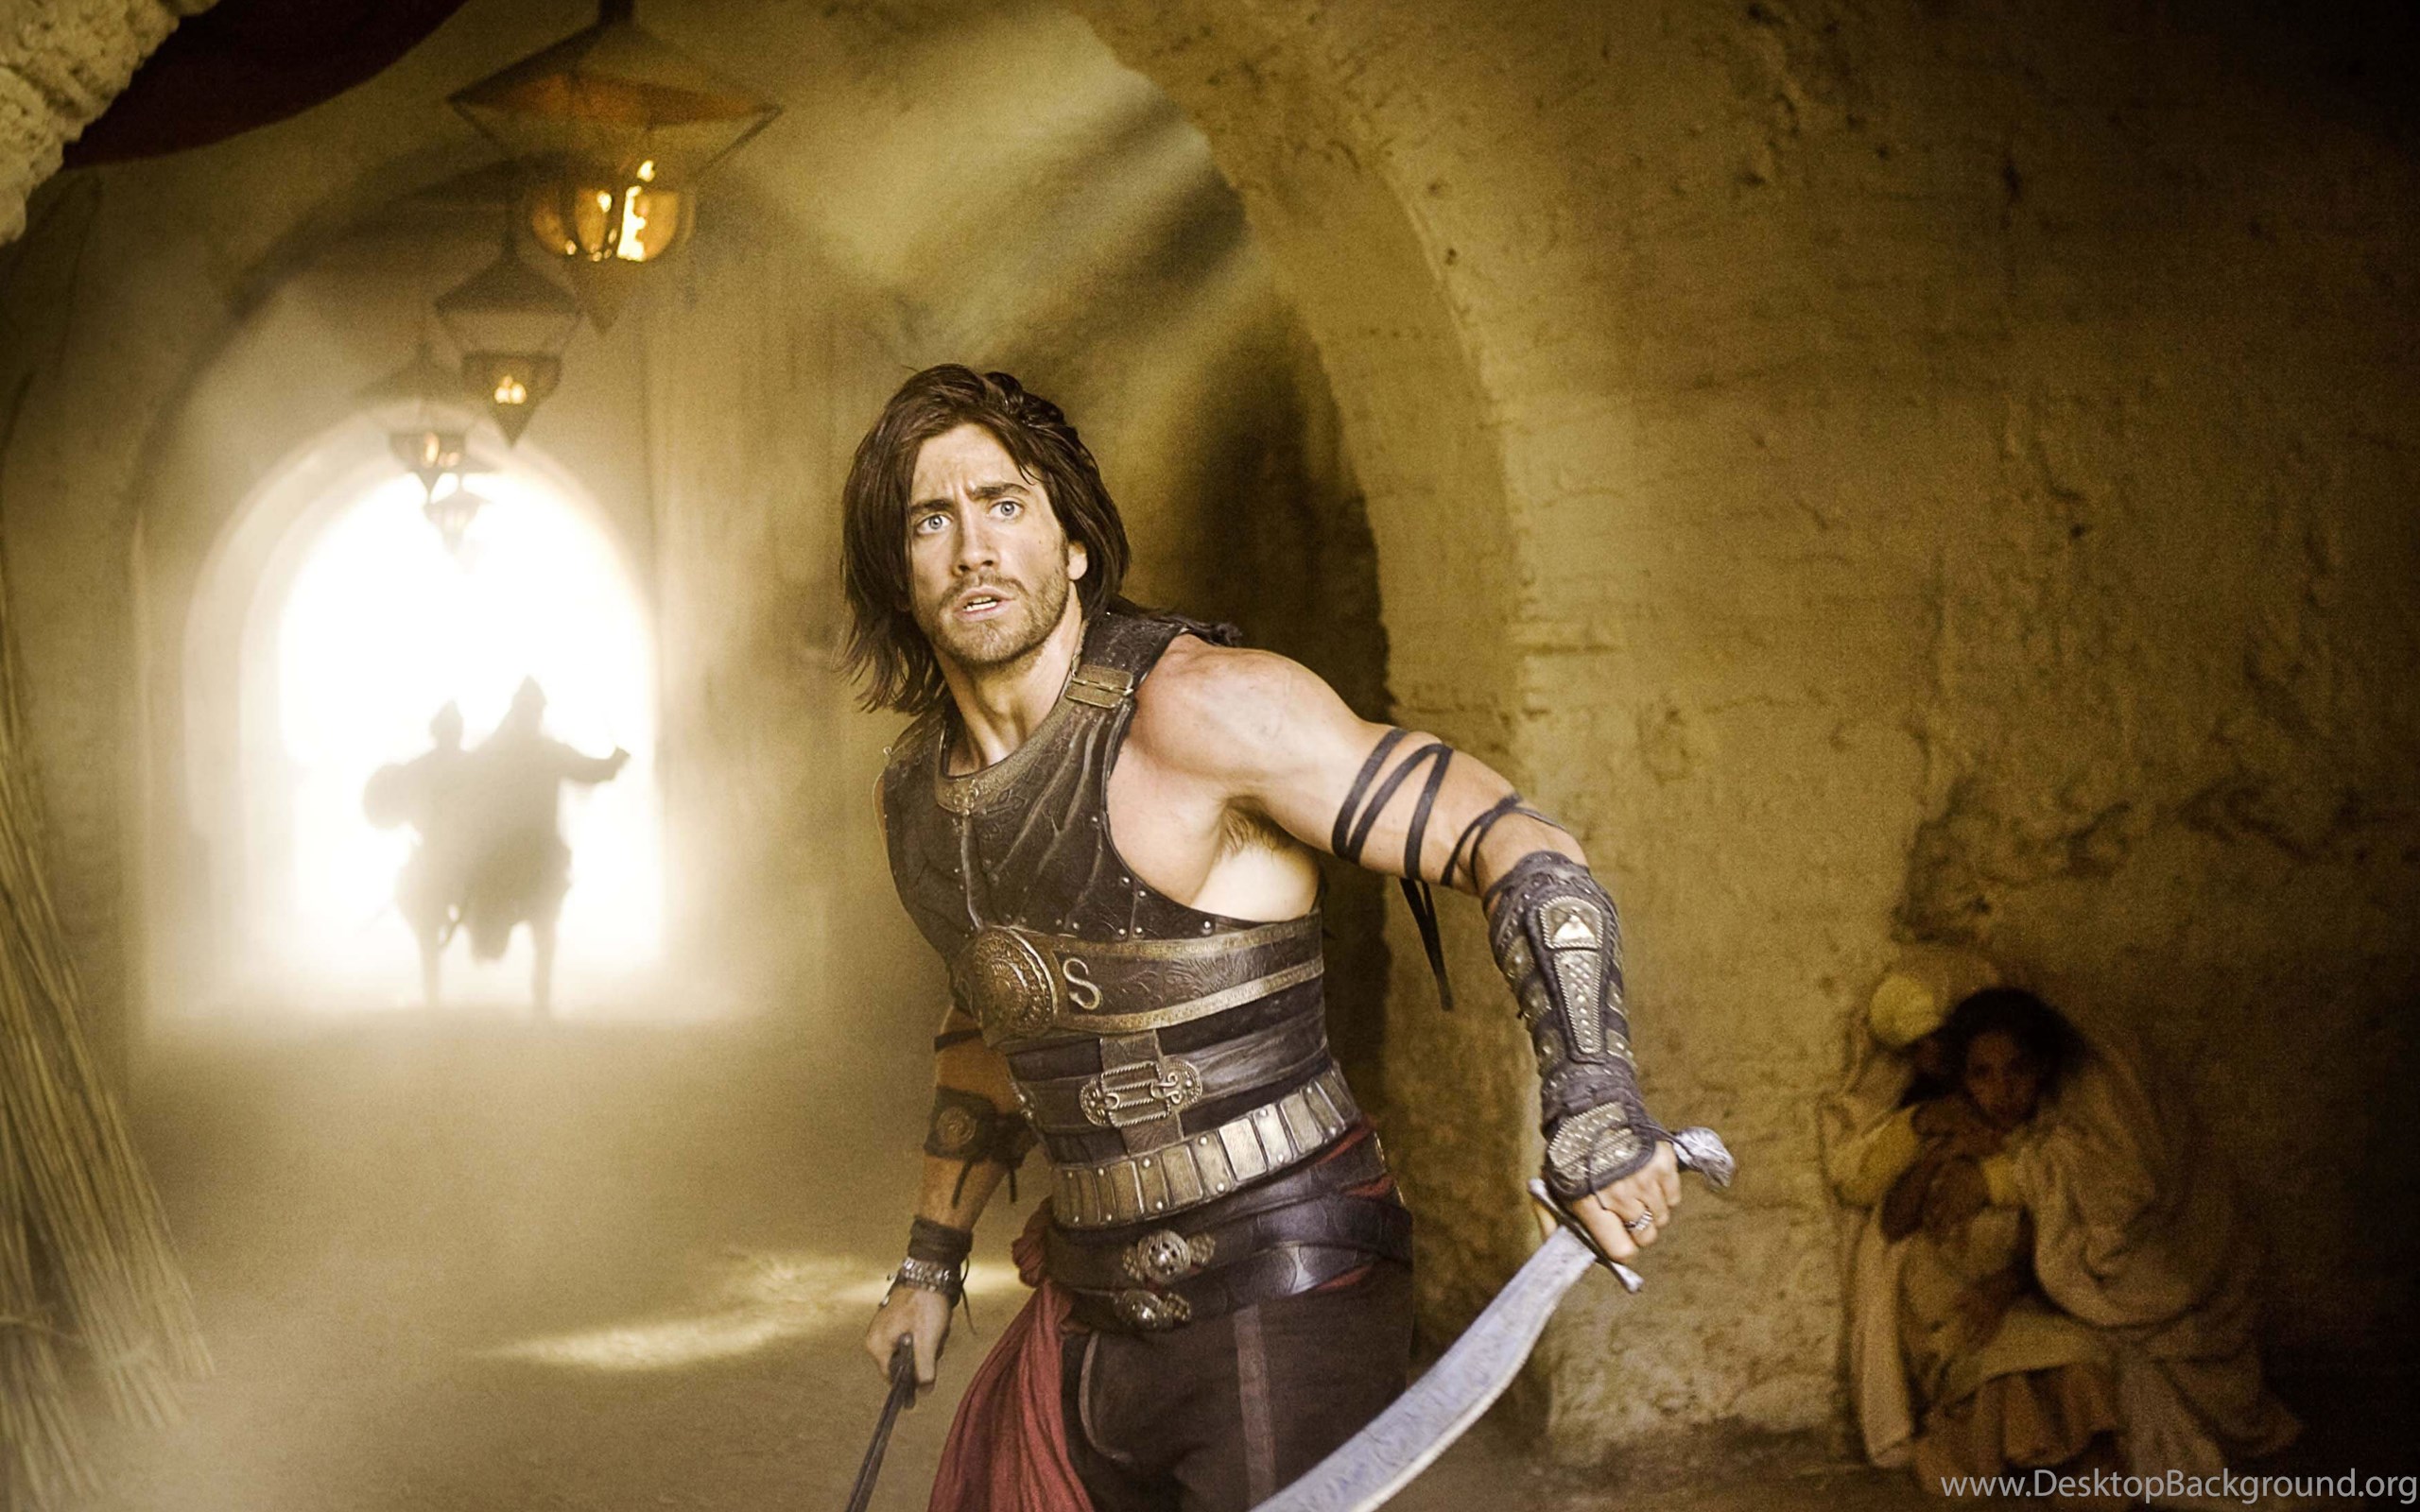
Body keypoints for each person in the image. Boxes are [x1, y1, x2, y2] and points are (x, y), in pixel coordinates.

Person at [844, 366, 1685, 1512]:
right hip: (1089, 1293)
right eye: (929, 520)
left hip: (1281, 1288)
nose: (974, 549)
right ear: (897, 570)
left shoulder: (1205, 708)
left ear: (1072, 543)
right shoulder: (917, 800)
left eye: (1003, 504)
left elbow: (1516, 842)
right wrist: (929, 1263)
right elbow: (998, 1015)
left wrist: (1593, 1100)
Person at [1825, 970, 2299, 1509]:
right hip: (1947, 1312)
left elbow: (2049, 1243)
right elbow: (1894, 1222)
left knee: (2078, 1361)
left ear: (2043, 1070)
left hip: (2011, 1303)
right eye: (1982, 1075)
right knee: (2013, 1367)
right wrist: (1938, 1156)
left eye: (2017, 1071)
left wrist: (2004, 1283)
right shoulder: (1949, 1127)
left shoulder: (2044, 1146)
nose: (2002, 1091)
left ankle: (2074, 1472)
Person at [453, 678, 629, 1019]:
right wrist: (615, 761)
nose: (532, 717)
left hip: (513, 853)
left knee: (538, 922)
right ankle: (538, 996)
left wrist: (612, 764)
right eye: (531, 712)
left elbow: (464, 783)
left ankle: (537, 993)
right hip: (532, 853)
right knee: (544, 925)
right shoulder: (546, 752)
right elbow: (592, 771)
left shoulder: (496, 752)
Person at [363, 701, 473, 1007]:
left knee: (418, 910)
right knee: (416, 908)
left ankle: (433, 991)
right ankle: (432, 991)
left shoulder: (415, 770)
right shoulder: (474, 766)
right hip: (454, 858)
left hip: (448, 859)